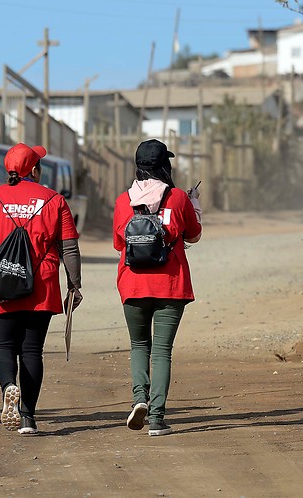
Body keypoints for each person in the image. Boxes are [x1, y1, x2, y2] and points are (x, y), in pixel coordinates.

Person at [0, 143, 82, 435]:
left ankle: (9, 385)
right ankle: (28, 418)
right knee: (32, 350)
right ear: (35, 170)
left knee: (2, 346)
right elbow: (69, 247)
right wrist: (74, 284)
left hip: (2, 283)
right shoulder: (55, 200)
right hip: (41, 284)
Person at [112, 139, 202, 437]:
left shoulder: (123, 201)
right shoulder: (178, 198)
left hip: (133, 284)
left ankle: (140, 398)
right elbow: (194, 235)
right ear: (165, 166)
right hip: (170, 284)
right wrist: (194, 205)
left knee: (139, 345)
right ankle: (157, 419)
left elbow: (119, 244)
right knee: (162, 352)